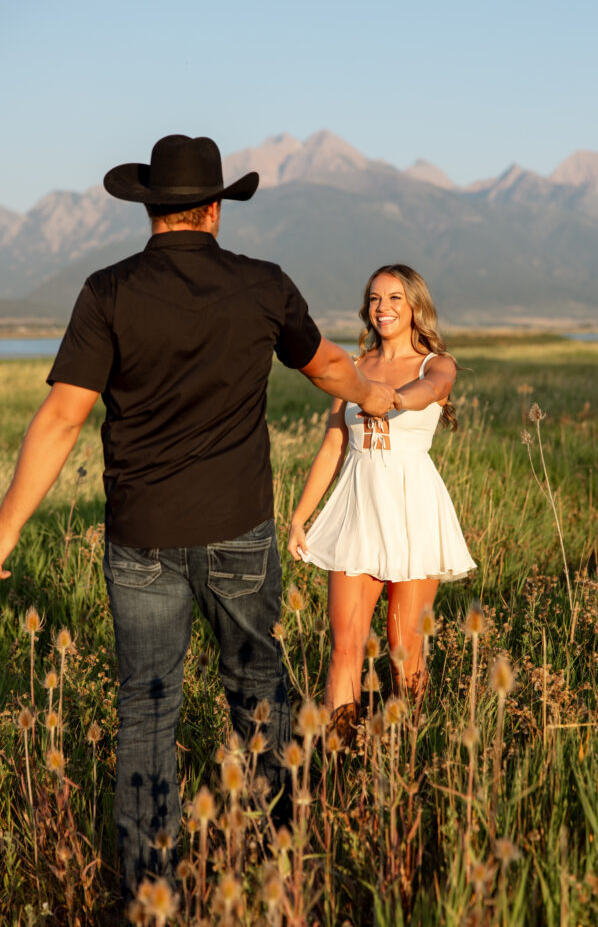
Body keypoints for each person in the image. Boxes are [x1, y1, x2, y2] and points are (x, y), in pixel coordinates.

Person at [0, 134, 396, 903]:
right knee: (259, 691)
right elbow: (329, 371)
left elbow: (59, 418)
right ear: (215, 208)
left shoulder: (107, 290)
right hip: (239, 530)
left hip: (139, 538)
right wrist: (376, 396)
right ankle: (279, 869)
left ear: (151, 210)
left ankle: (148, 895)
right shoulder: (262, 286)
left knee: (146, 712)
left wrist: (7, 524)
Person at [287, 264, 476, 737]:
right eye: (374, 298)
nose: (382, 307)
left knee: (404, 649)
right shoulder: (353, 368)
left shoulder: (437, 364)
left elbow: (427, 393)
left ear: (415, 306)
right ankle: (338, 753)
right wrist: (299, 518)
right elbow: (333, 445)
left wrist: (380, 397)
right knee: (345, 644)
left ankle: (409, 749)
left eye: (394, 298)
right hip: (356, 508)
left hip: (412, 509)